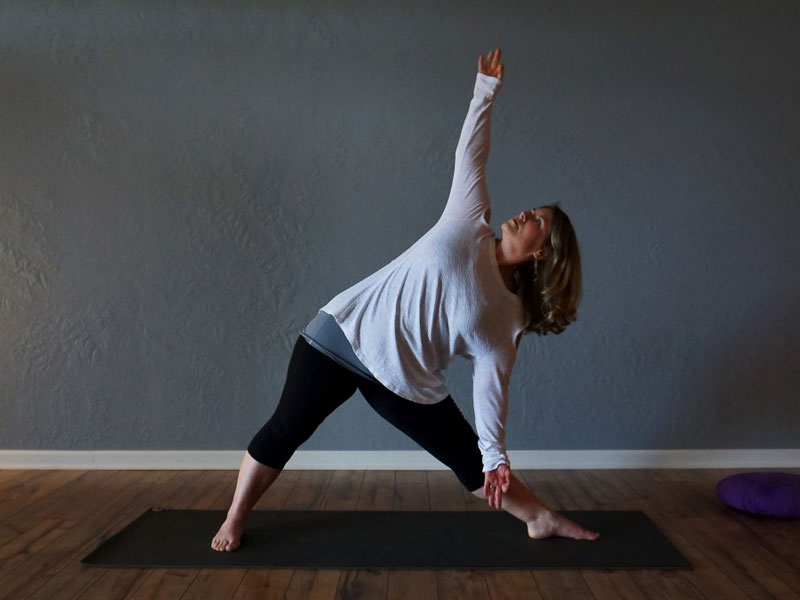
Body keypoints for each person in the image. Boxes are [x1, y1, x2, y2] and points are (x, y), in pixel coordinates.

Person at [212, 48, 599, 552]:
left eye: (538, 221)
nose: (527, 214)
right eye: (533, 210)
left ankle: (541, 518)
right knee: (286, 427)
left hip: (403, 378)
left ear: (543, 253)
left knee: (471, 460)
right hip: (344, 335)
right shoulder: (470, 220)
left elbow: (490, 391)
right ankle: (235, 516)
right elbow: (471, 154)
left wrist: (495, 456)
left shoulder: (509, 318)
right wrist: (485, 91)